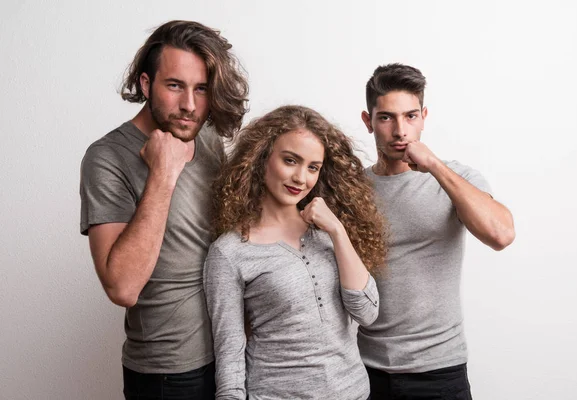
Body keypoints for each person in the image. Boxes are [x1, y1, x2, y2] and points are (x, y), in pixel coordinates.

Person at [79, 20, 248, 399]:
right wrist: (162, 175)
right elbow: (122, 287)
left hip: (228, 353)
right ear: (145, 84)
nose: (190, 105)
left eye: (201, 89)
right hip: (168, 373)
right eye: (174, 86)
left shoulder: (205, 136)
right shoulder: (107, 157)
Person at [203, 105, 387, 400]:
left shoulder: (328, 234)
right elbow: (229, 351)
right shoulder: (230, 252)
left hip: (353, 392)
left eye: (313, 167)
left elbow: (367, 312)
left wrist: (338, 231)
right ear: (261, 158)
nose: (301, 178)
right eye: (291, 161)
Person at [358, 64, 516, 399]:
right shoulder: (352, 187)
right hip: (363, 368)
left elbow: (501, 234)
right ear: (368, 120)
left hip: (439, 370)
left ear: (424, 116)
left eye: (410, 116)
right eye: (386, 117)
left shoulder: (455, 178)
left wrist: (433, 166)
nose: (401, 130)